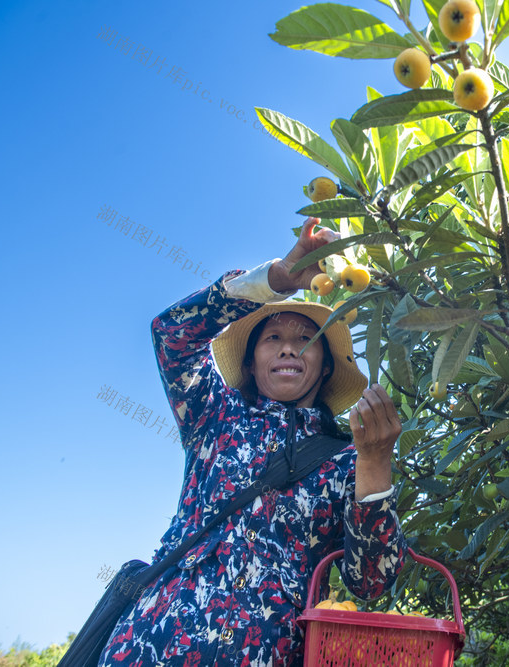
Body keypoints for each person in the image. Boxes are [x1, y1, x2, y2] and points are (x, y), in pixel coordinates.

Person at [98, 219, 406, 665]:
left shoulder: (344, 461)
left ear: (323, 367)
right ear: (252, 360)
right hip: (151, 645)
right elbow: (171, 335)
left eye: (306, 340)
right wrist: (275, 280)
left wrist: (375, 463)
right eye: (273, 339)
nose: (288, 349)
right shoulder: (214, 415)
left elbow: (372, 582)